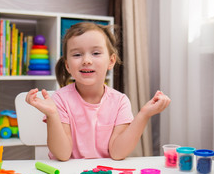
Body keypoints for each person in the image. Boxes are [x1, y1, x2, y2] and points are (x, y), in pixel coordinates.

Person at [25, 22, 171, 161]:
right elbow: (63, 154)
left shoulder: (120, 101)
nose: (86, 60)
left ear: (111, 61)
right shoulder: (60, 99)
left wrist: (144, 114)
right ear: (68, 65)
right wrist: (52, 115)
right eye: (77, 55)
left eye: (95, 53)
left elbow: (117, 153)